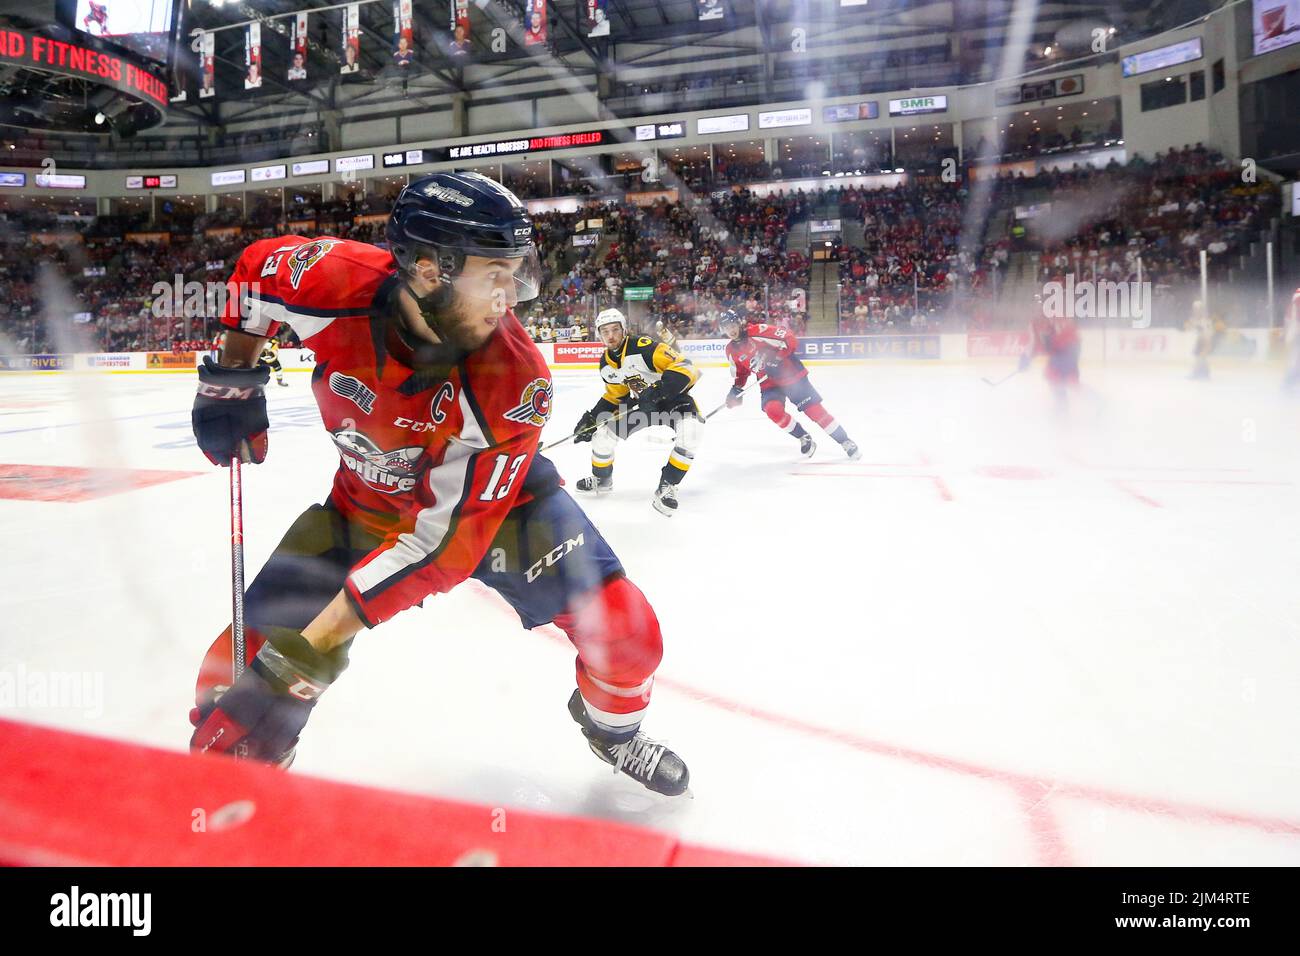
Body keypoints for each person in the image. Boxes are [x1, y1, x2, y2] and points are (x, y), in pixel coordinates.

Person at [187, 172, 688, 796]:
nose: (511, 297)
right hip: (367, 502)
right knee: (227, 677)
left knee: (628, 632)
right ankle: (252, 781)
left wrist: (299, 665)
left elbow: (443, 547)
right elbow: (255, 272)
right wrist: (231, 374)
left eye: (516, 273)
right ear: (428, 270)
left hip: (504, 506)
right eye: (494, 275)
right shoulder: (328, 278)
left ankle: (612, 731)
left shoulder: (513, 377)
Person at [572, 308, 704, 516]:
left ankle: (667, 486)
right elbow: (616, 395)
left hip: (673, 400)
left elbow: (686, 366)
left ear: (624, 330)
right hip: (644, 406)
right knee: (602, 436)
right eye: (605, 331)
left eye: (615, 329)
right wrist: (593, 419)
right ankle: (602, 479)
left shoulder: (643, 347)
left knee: (692, 433)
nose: (611, 335)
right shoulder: (606, 363)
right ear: (599, 334)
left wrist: (659, 390)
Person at [720, 310, 861, 460]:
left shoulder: (757, 331)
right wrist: (736, 389)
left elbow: (789, 338)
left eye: (732, 325)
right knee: (773, 410)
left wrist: (777, 358)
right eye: (727, 328)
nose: (731, 330)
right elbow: (741, 373)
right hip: (768, 382)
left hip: (791, 376)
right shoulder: (730, 350)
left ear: (739, 323)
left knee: (815, 412)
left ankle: (845, 441)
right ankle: (803, 437)